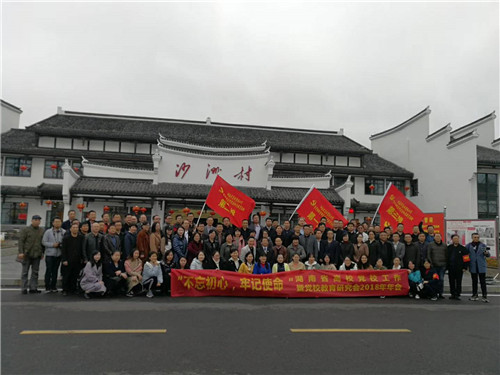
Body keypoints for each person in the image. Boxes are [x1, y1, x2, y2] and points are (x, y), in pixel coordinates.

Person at [18, 215, 45, 294]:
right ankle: (24, 288)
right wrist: (21, 252)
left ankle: (33, 288)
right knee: (25, 272)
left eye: (38, 220)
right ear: (32, 220)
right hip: (27, 254)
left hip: (37, 254)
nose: (37, 221)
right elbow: (21, 241)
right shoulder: (26, 230)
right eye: (35, 220)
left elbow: (42, 243)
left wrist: (42, 252)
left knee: (35, 272)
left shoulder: (41, 230)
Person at [42, 216, 65, 293]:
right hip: (49, 254)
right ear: (53, 223)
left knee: (55, 271)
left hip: (59, 254)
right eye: (56, 222)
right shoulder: (48, 232)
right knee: (49, 270)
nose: (57, 223)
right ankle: (47, 287)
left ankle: (53, 286)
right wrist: (52, 245)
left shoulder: (64, 232)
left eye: (59, 222)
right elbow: (44, 242)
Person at [61, 222, 84, 295]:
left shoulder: (81, 238)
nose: (75, 229)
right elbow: (63, 250)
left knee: (75, 275)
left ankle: (73, 289)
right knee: (66, 275)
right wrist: (64, 259)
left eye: (76, 228)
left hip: (77, 260)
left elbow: (82, 249)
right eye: (73, 228)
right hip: (68, 260)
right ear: (70, 229)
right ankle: (65, 289)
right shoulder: (66, 238)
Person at [466, 233, 490, 302]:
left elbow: (488, 255)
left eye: (477, 237)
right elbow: (465, 255)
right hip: (473, 266)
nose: (476, 238)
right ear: (472, 238)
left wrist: (486, 253)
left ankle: (484, 296)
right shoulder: (468, 246)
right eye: (474, 237)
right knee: (474, 281)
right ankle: (474, 295)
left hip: (481, 266)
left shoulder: (483, 245)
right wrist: (466, 264)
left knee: (483, 281)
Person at [446, 234, 469, 300]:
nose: (456, 240)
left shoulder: (463, 248)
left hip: (459, 268)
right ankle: (452, 293)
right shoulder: (449, 248)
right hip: (451, 268)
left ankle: (458, 294)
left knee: (458, 281)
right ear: (452, 240)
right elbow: (447, 258)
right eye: (454, 239)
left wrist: (465, 267)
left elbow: (466, 259)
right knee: (451, 281)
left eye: (457, 238)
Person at [427, 233, 447, 299]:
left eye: (439, 236)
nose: (437, 238)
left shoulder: (444, 245)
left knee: (441, 279)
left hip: (442, 266)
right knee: (435, 279)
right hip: (434, 266)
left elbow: (447, 255)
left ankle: (440, 293)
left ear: (441, 238)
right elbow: (428, 254)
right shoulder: (430, 245)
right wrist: (431, 263)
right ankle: (434, 293)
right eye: (436, 236)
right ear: (434, 238)